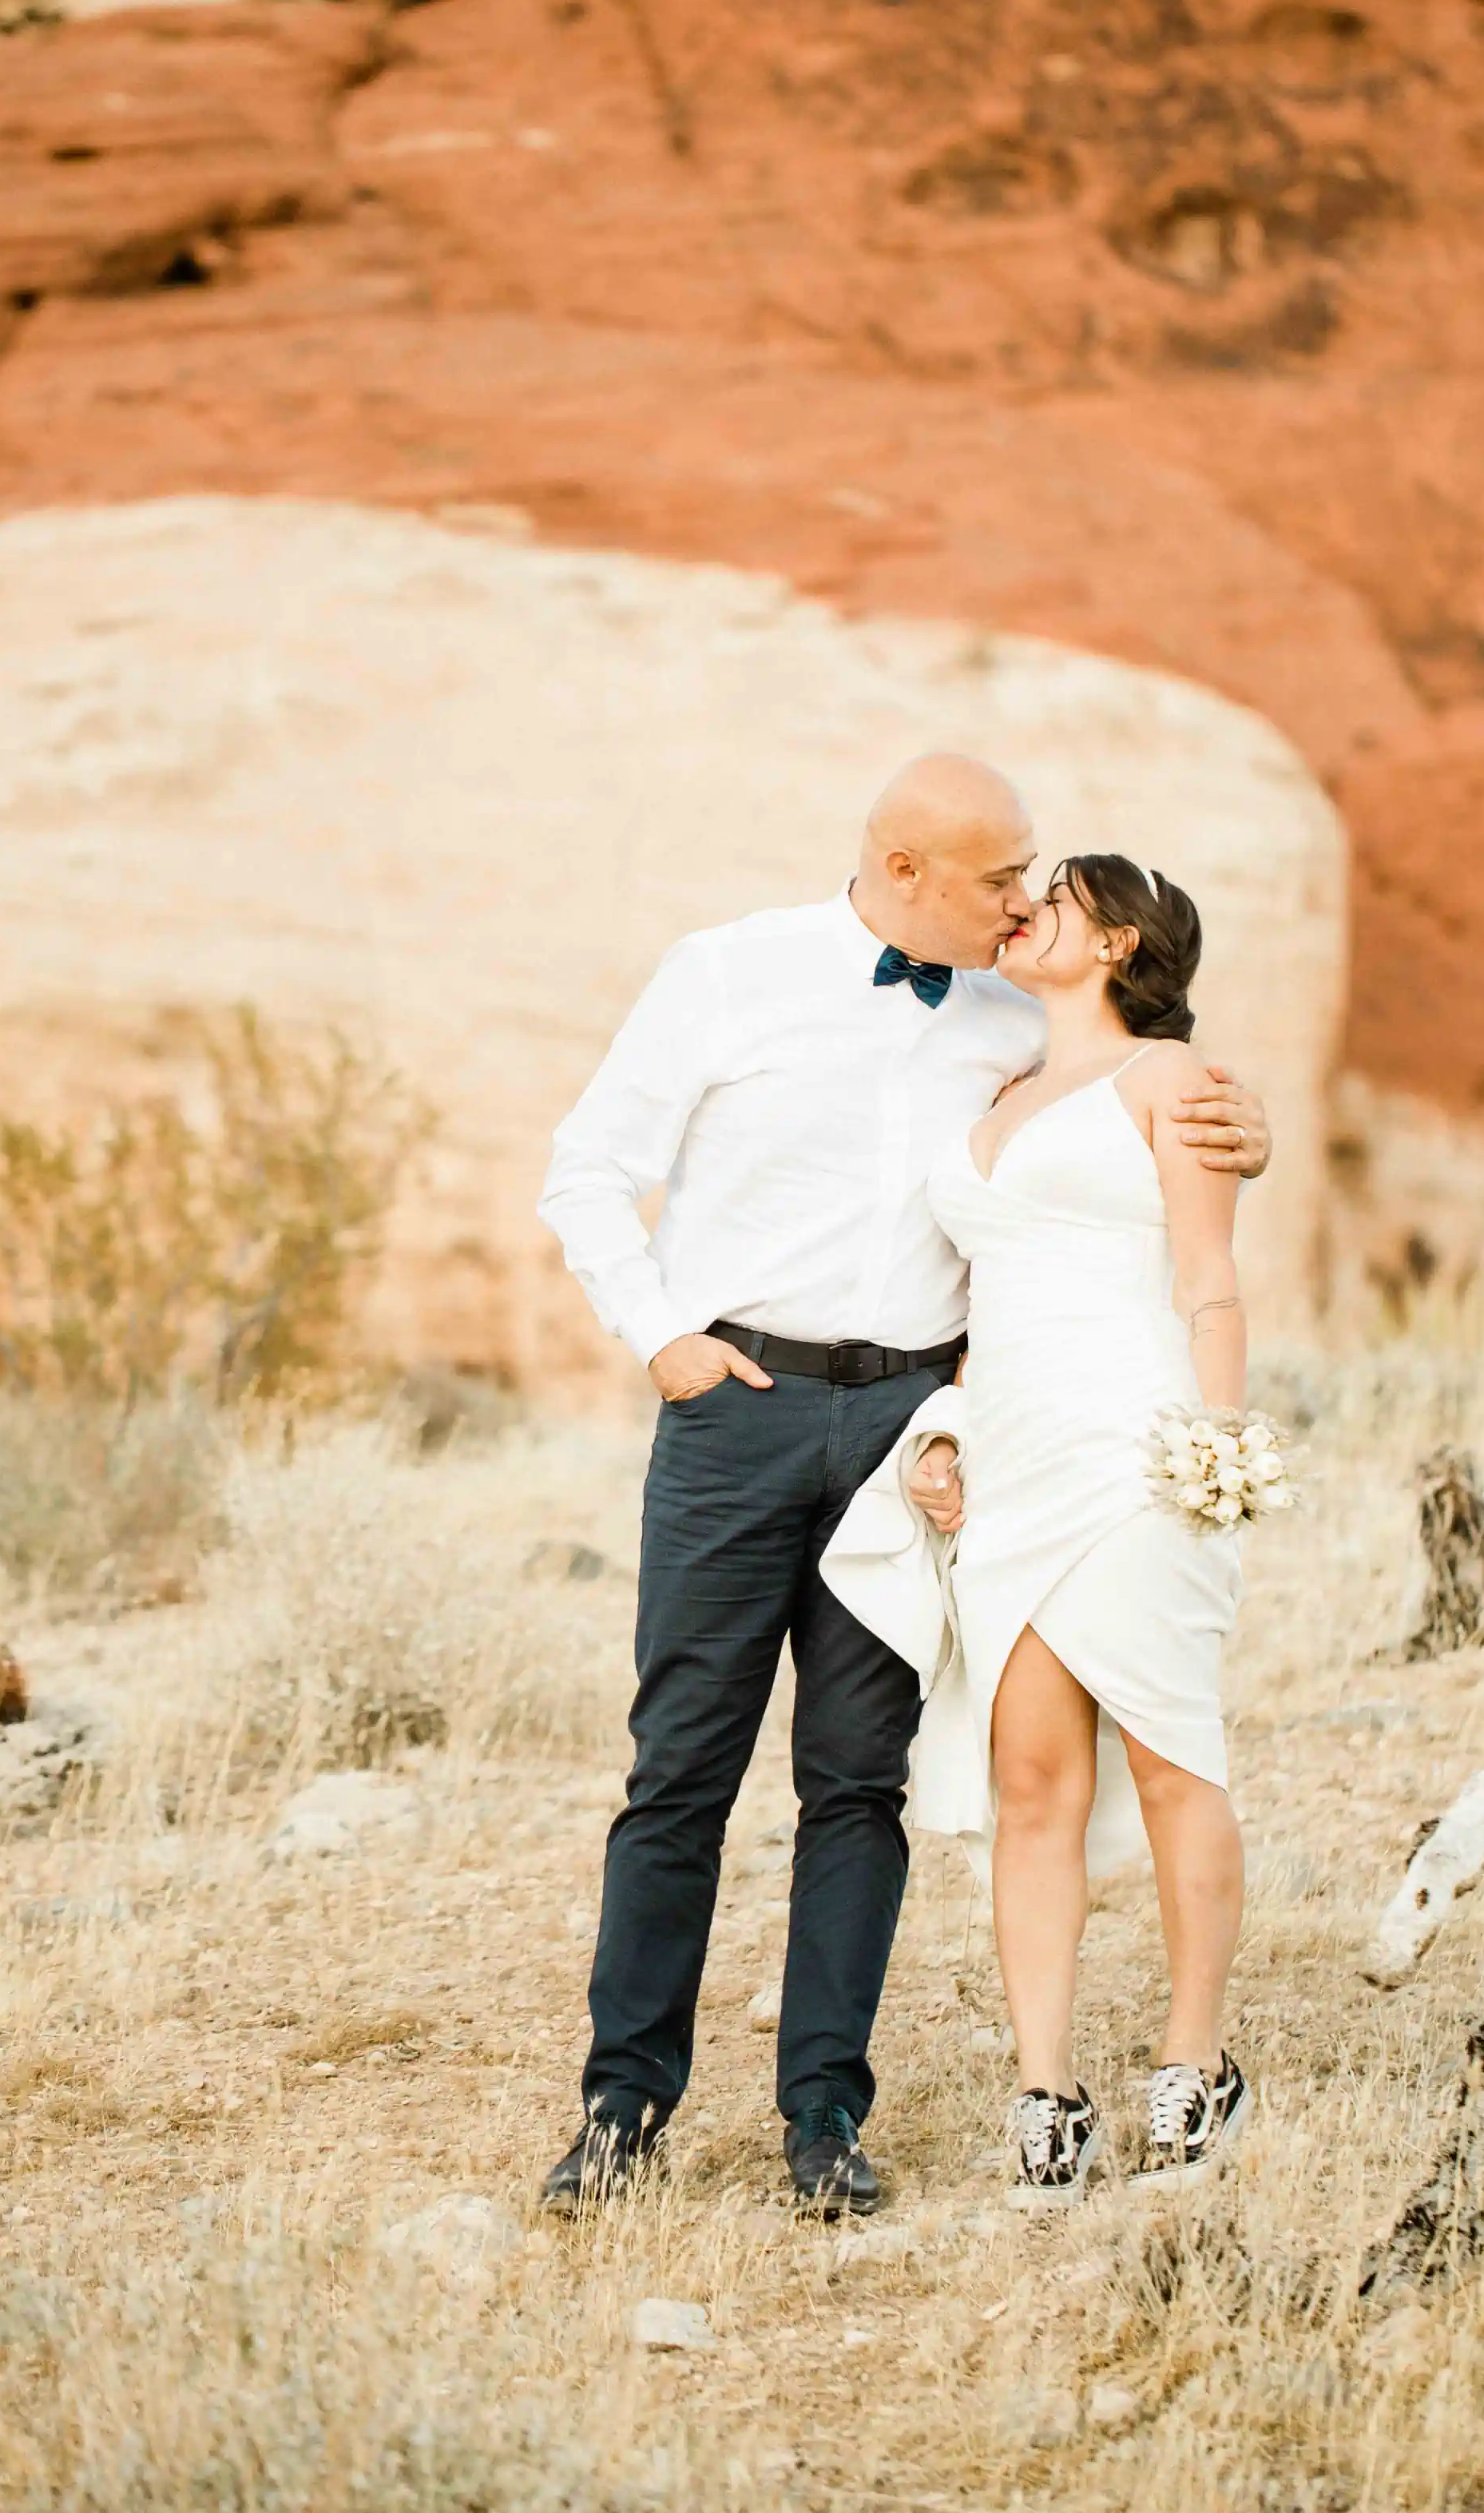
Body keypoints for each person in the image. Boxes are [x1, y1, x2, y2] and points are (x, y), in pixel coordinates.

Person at [536, 759, 1269, 2217]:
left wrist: (1249, 1133)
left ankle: (825, 2120)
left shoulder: (1014, 1018)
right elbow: (585, 1170)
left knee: (855, 1781)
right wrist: (664, 1340)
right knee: (680, 1768)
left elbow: (1140, 1112)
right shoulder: (727, 972)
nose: (1020, 902)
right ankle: (622, 2110)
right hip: (737, 1410)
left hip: (912, 1434)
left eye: (1035, 882)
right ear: (905, 868)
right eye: (1001, 878)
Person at [823, 854, 1253, 2200]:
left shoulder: (1171, 1080)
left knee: (1172, 1753)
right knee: (1032, 1782)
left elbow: (1210, 1277)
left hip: (1137, 1451)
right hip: (1011, 1458)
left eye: (1054, 898)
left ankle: (1195, 2065)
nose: (1024, 910)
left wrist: (1219, 1445)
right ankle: (1046, 2090)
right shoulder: (1001, 1086)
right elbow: (983, 1303)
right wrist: (948, 1432)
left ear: (1117, 939)